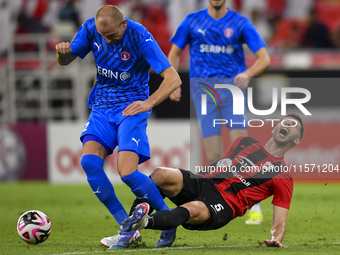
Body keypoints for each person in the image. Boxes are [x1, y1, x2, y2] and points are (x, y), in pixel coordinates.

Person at [55, 5, 181, 249]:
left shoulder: (140, 36)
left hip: (130, 109)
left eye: (112, 36)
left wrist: (149, 102)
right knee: (89, 162)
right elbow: (66, 59)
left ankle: (169, 220)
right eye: (103, 36)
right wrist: (62, 53)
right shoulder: (91, 29)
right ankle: (128, 227)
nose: (107, 40)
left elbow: (173, 78)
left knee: (127, 173)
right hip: (101, 107)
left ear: (123, 24)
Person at [123, 114, 304, 248]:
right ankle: (130, 233)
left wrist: (275, 238)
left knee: (191, 209)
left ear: (296, 141)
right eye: (286, 121)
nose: (287, 124)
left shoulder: (282, 176)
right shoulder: (244, 142)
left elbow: (280, 220)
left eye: (293, 125)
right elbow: (222, 163)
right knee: (161, 174)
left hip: (224, 204)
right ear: (275, 127)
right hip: (205, 182)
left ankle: (147, 222)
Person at [168, 0, 271, 225]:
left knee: (242, 151)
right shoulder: (192, 22)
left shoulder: (240, 23)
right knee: (214, 156)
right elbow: (174, 53)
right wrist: (174, 83)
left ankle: (255, 205)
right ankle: (219, 202)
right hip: (204, 94)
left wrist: (248, 74)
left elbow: (265, 58)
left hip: (231, 92)